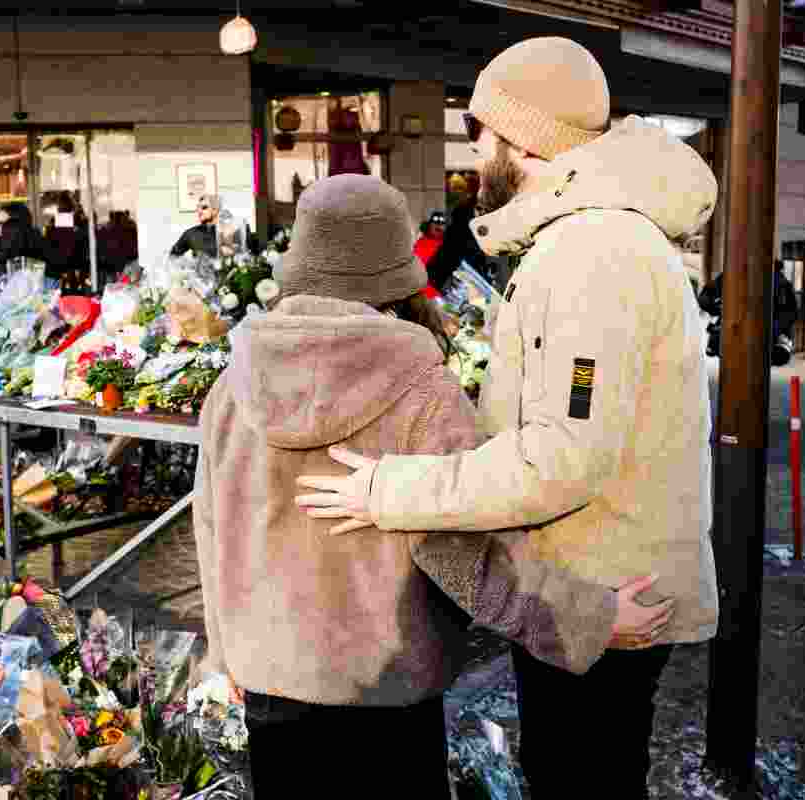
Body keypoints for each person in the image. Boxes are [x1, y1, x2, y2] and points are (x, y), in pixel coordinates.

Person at [293, 38, 719, 800]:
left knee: (581, 777)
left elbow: (562, 457)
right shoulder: (589, 239)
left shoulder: (593, 254)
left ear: (525, 140)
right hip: (597, 577)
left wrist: (391, 489)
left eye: (482, 129)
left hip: (605, 592)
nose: (474, 146)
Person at [195, 173, 672, 797]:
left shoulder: (232, 384)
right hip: (385, 687)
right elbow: (463, 549)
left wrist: (225, 651)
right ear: (394, 267)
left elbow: (210, 527)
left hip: (270, 686)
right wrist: (591, 617)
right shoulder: (419, 387)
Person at [426, 195, 491, 291]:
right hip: (456, 288)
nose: (482, 213)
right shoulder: (460, 234)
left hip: (464, 286)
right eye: (479, 209)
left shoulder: (473, 234)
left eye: (485, 210)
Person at [169, 194, 220, 258]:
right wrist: (187, 264)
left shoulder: (226, 233)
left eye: (204, 208)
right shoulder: (191, 233)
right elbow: (172, 257)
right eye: (198, 208)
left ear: (215, 210)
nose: (199, 211)